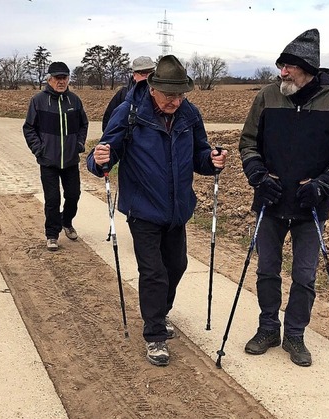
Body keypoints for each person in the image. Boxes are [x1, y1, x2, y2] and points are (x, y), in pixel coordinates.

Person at [87, 55, 227, 366]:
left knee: (176, 266)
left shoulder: (190, 113)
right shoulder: (129, 112)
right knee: (153, 272)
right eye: (170, 95)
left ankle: (160, 313)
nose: (176, 101)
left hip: (177, 208)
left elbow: (200, 153)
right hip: (143, 208)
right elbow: (103, 155)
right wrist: (100, 160)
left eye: (181, 95)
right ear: (153, 88)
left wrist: (212, 160)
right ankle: (155, 336)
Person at [239, 29, 329, 367]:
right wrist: (258, 177)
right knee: (267, 270)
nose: (283, 72)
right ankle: (268, 328)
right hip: (270, 201)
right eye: (280, 65)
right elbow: (248, 142)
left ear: (307, 68)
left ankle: (295, 334)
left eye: (289, 66)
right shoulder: (266, 97)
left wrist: (325, 184)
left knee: (305, 275)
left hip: (312, 205)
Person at [23, 61, 89, 251]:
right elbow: (29, 128)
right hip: (48, 161)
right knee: (52, 200)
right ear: (49, 80)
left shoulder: (74, 101)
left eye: (64, 78)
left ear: (68, 79)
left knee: (73, 195)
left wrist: (79, 144)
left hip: (70, 160)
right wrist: (38, 149)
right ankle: (52, 234)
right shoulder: (39, 101)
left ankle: (66, 222)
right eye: (57, 78)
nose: (61, 82)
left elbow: (83, 124)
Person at [102, 56, 155, 132]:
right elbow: (108, 122)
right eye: (143, 73)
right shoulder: (123, 94)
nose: (147, 77)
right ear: (134, 75)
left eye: (151, 73)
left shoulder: (160, 95)